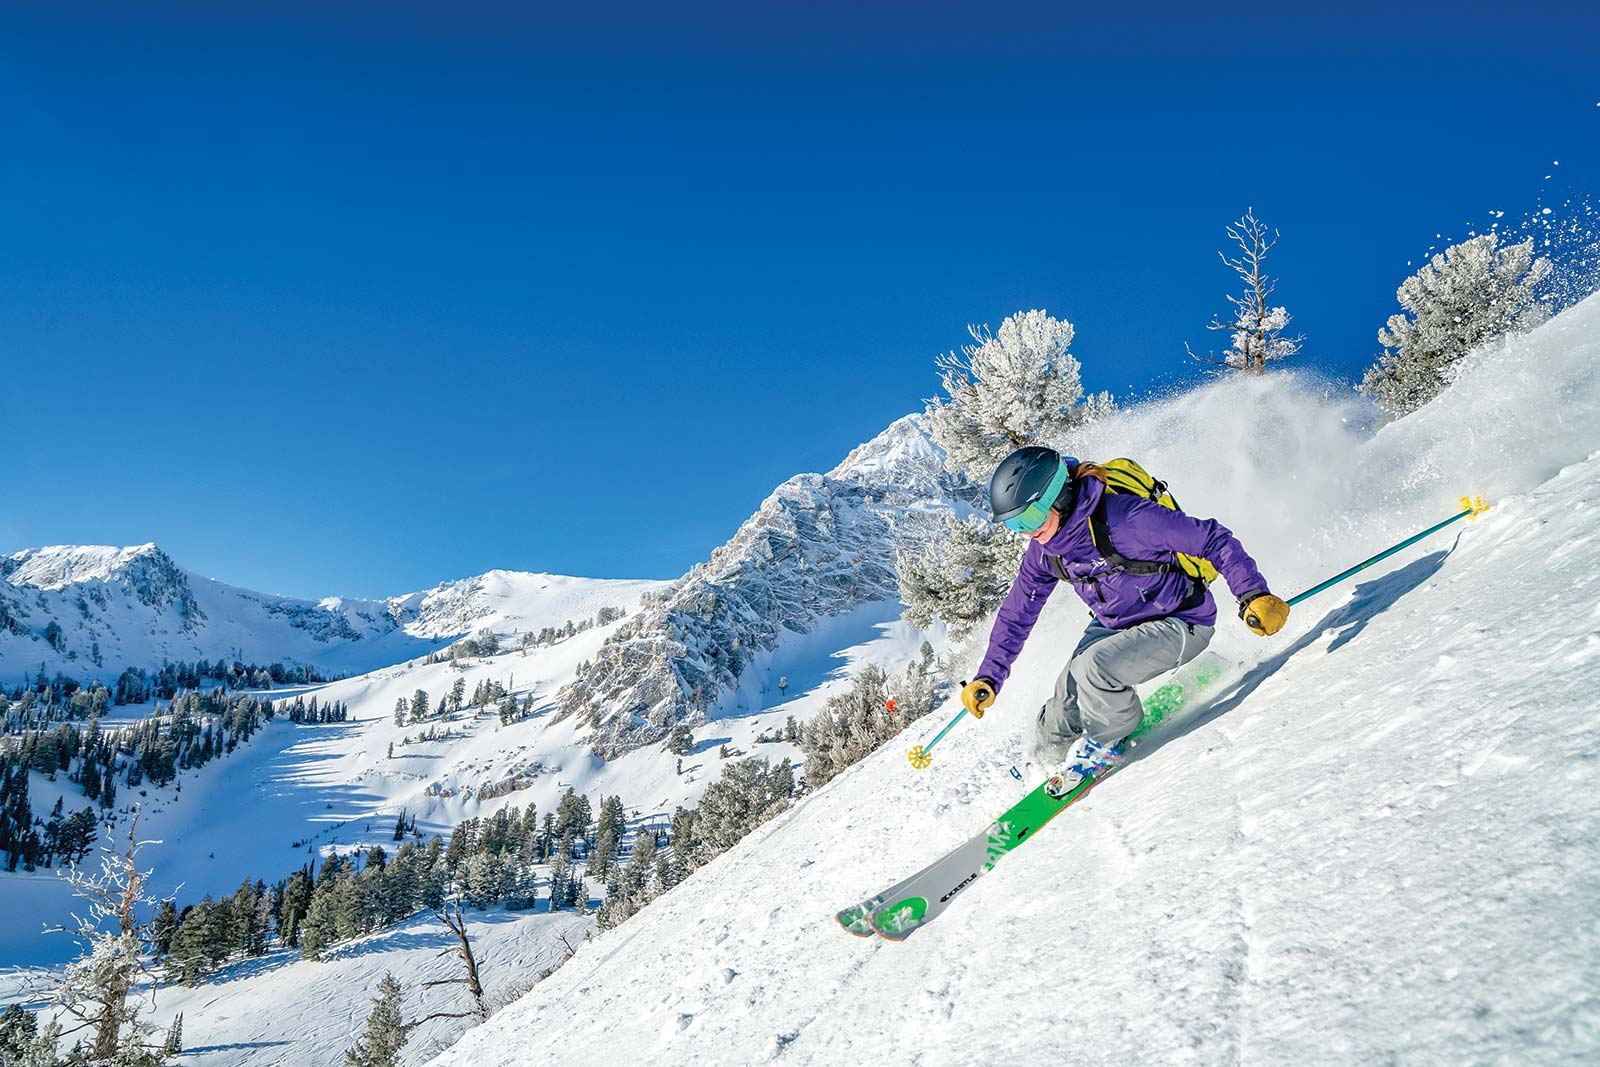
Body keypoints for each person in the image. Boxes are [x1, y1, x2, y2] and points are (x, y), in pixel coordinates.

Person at [961, 446, 1289, 796]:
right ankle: (1041, 761)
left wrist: (1253, 594)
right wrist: (989, 676)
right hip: (1117, 622)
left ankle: (1108, 741)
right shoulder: (1045, 550)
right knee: (1064, 700)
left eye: (1028, 519)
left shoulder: (1126, 519)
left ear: (1057, 498)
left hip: (1181, 619)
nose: (1026, 533)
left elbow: (1212, 538)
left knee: (1094, 669)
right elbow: (1017, 613)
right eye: (1014, 525)